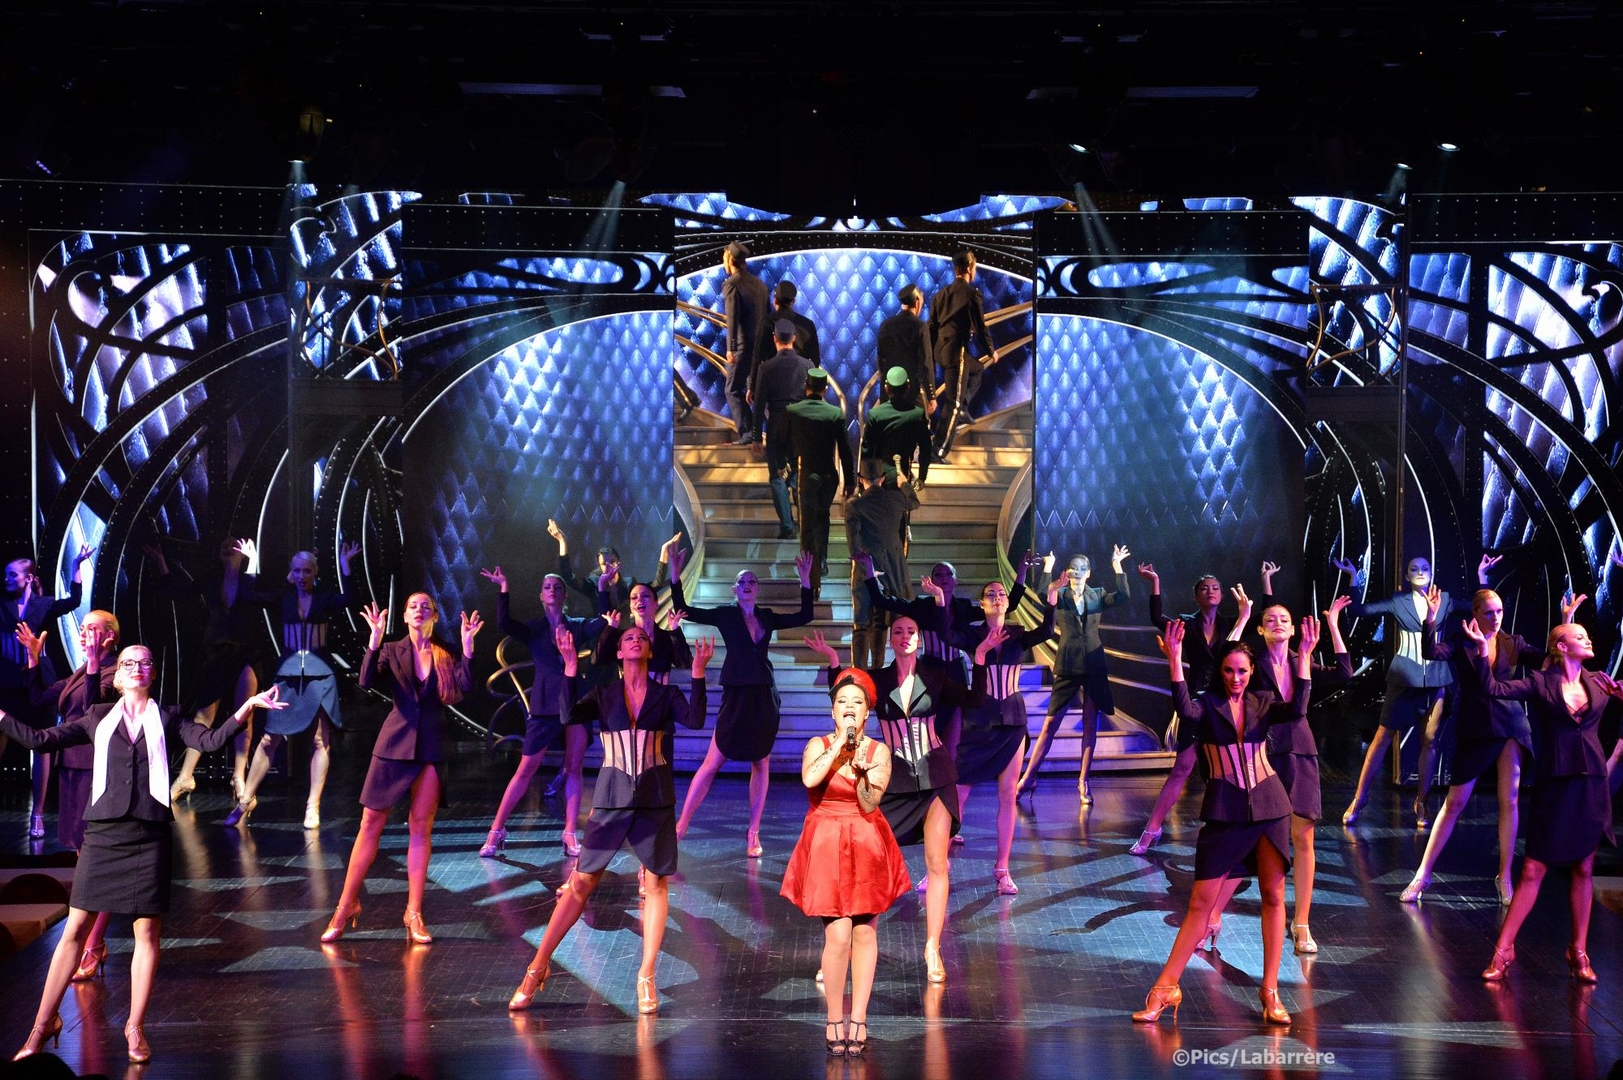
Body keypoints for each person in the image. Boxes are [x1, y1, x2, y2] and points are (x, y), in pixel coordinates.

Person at [1, 645, 286, 1063]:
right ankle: (42, 1025)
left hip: (149, 835)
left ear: (152, 674)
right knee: (75, 929)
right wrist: (2, 718)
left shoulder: (167, 717)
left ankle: (134, 1027)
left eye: (144, 662)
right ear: (117, 678)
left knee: (146, 933)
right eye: (128, 663)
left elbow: (209, 741)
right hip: (103, 835)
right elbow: (40, 741)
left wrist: (246, 708)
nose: (136, 668)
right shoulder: (98, 717)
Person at [509, 625, 714, 1014]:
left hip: (654, 800)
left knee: (656, 884)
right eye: (628, 638)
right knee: (580, 884)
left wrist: (699, 674)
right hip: (610, 800)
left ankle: (646, 975)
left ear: (649, 651)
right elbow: (568, 714)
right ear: (619, 653)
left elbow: (696, 720)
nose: (636, 640)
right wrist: (571, 668)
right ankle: (537, 967)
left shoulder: (666, 694)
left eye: (642, 638)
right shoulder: (604, 694)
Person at [1129, 617, 1315, 1026]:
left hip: (1270, 807)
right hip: (1225, 812)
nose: (1236, 678)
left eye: (1242, 671)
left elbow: (1298, 709)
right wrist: (1175, 661)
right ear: (1220, 671)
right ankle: (1166, 987)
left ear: (1251, 672)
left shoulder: (1263, 700)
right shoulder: (1207, 705)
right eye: (1229, 671)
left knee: (1272, 895)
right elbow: (1185, 710)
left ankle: (1270, 990)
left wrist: (1304, 659)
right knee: (1200, 903)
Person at [805, 616, 1002, 983]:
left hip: (936, 778)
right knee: (868, 863)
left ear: (919, 639)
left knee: (937, 863)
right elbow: (845, 693)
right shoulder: (878, 680)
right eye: (898, 631)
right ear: (891, 640)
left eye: (912, 631)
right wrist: (833, 661)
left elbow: (975, 699)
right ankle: (842, 948)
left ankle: (932, 948)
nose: (905, 636)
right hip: (893, 782)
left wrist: (979, 657)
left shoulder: (936, 676)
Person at [1400, 583, 1581, 905]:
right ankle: (1422, 875)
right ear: (1476, 614)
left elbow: (1550, 662)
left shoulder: (1514, 642)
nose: (1496, 617)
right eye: (1489, 612)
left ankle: (1504, 876)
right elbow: (1431, 653)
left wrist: (1566, 621)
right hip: (1476, 727)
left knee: (1509, 800)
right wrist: (1430, 618)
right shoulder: (1462, 640)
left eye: (1499, 611)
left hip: (1510, 724)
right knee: (1454, 803)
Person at [1468, 618, 1622, 984]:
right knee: (1533, 869)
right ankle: (1504, 949)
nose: (1588, 639)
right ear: (1561, 647)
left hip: (1591, 785)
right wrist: (1482, 652)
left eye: (1587, 635)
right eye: (1579, 636)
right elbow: (1491, 688)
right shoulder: (1540, 682)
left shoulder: (1599, 682)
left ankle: (1578, 951)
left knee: (1584, 869)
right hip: (1555, 784)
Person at [320, 594, 480, 945]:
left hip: (431, 747)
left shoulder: (446, 652)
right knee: (369, 825)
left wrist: (468, 649)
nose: (419, 609)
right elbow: (365, 681)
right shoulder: (392, 650)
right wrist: (374, 641)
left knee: (421, 829)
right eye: (413, 606)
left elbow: (466, 687)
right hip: (393, 746)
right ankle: (345, 905)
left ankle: (414, 913)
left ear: (434, 616)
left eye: (426, 606)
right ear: (405, 616)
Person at [1202, 592, 1354, 956]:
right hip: (1264, 753)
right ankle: (1212, 915)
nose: (1278, 623)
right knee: (1252, 838)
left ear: (1293, 628)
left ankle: (1301, 923)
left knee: (1304, 837)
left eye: (1284, 619)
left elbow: (1345, 673)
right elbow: (1226, 657)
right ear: (1261, 629)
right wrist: (1242, 617)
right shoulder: (1251, 666)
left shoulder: (1304, 659)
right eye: (1270, 620)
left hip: (1300, 751)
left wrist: (1333, 625)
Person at [780, 668, 909, 1058]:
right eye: (842, 702)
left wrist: (864, 778)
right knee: (837, 935)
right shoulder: (817, 744)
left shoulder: (878, 752)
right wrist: (839, 745)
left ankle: (860, 1018)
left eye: (857, 703)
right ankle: (834, 1017)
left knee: (865, 933)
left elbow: (869, 804)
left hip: (865, 842)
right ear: (833, 711)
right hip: (826, 843)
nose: (849, 707)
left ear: (867, 712)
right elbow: (809, 780)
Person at [669, 547, 814, 855]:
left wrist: (805, 580)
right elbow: (683, 607)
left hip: (763, 694)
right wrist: (674, 574)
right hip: (735, 693)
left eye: (752, 581)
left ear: (757, 589)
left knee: (761, 761)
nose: (747, 584)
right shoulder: (725, 614)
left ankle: (753, 833)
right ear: (734, 589)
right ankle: (680, 826)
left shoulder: (766, 617)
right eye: (741, 581)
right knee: (712, 762)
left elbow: (805, 616)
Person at [1336, 554, 1482, 829]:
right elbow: (1359, 611)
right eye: (1414, 569)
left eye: (1424, 568)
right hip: (1404, 678)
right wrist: (1353, 578)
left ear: (1432, 573)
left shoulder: (1445, 599)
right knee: (1382, 737)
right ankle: (1359, 798)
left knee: (1430, 740)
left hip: (1436, 679)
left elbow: (1477, 606)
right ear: (1406, 576)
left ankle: (1422, 802)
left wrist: (1483, 579)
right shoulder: (1398, 601)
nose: (1420, 572)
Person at [476, 564, 607, 858]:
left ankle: (570, 832)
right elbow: (505, 622)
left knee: (574, 767)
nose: (552, 591)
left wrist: (602, 588)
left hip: (575, 701)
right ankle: (497, 829)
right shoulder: (534, 629)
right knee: (526, 768)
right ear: (541, 595)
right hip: (545, 703)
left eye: (557, 587)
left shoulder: (576, 626)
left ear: (565, 596)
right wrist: (504, 588)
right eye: (547, 587)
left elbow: (603, 621)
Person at [228, 538, 360, 829]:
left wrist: (345, 565)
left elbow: (349, 599)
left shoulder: (325, 598)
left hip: (320, 675)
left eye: (307, 571)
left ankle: (313, 805)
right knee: (269, 738)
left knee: (320, 740)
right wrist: (252, 562)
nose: (302, 576)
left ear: (315, 572)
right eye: (297, 571)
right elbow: (248, 596)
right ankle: (245, 800)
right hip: (287, 674)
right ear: (292, 572)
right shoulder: (283, 597)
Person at [15, 613, 118, 982]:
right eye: (83, 628)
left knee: (98, 865)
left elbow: (94, 710)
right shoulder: (79, 672)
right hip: (72, 769)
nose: (84, 633)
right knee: (82, 862)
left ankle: (94, 942)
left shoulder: (115, 671)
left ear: (110, 637)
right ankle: (95, 942)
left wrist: (92, 662)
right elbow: (38, 699)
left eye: (92, 629)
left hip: (97, 771)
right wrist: (34, 659)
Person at [1127, 564, 1256, 853]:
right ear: (1196, 596)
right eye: (1204, 588)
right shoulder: (1187, 623)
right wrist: (1155, 581)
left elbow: (1241, 641)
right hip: (1196, 702)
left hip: (1225, 702)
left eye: (1215, 588)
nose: (1210, 591)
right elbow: (1157, 617)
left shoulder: (1230, 624)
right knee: (1182, 767)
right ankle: (1152, 829)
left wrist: (1260, 592)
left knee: (1230, 769)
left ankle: (1237, 832)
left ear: (1221, 595)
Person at [944, 581, 1055, 894]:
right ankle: (939, 864)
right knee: (959, 791)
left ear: (1008, 603)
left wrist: (1052, 596)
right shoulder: (973, 634)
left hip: (1013, 721)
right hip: (980, 720)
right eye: (990, 594)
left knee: (1007, 795)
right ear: (982, 604)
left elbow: (1048, 629)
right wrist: (941, 600)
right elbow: (947, 635)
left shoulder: (1017, 634)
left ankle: (1002, 869)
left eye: (1001, 594)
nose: (997, 597)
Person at [1017, 546, 1131, 804]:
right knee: (1050, 724)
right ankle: (1028, 778)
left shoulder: (1097, 595)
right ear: (1067, 572)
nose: (1078, 572)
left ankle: (1083, 781)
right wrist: (1048, 568)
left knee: (1090, 723)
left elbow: (1124, 596)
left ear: (1089, 573)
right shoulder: (1059, 594)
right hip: (1068, 665)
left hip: (1094, 666)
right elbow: (1042, 595)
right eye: (1073, 568)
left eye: (1082, 569)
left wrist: (1117, 566)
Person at [149, 540, 260, 805]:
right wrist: (160, 561)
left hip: (245, 652)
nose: (229, 550)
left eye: (235, 546)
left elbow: (253, 594)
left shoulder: (249, 580)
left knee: (245, 714)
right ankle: (186, 776)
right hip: (216, 653)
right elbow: (176, 592)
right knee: (203, 715)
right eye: (225, 547)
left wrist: (252, 562)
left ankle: (239, 776)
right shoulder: (212, 579)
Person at [1, 546, 91, 839]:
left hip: (38, 684)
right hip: (6, 684)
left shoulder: (44, 605)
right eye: (6, 575)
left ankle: (37, 814)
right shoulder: (2, 605)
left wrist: (76, 565)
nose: (7, 579)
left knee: (42, 746)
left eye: (13, 575)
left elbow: (74, 601)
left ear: (28, 578)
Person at [785, 367, 856, 597]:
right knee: (822, 517)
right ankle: (822, 560)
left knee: (807, 526)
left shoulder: (793, 411)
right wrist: (850, 481)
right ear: (825, 389)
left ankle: (812, 579)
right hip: (829, 476)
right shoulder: (834, 413)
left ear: (806, 386)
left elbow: (780, 441)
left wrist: (783, 466)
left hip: (806, 474)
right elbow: (845, 450)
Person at [928, 250, 1000, 458]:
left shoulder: (941, 294)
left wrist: (930, 355)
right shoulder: (971, 294)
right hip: (956, 351)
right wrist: (991, 351)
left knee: (976, 369)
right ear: (969, 268)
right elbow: (980, 326)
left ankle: (963, 407)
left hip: (941, 350)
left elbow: (931, 327)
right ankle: (938, 450)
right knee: (953, 402)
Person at [843, 465, 915, 669]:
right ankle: (877, 669)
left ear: (861, 479)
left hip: (866, 566)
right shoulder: (895, 498)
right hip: (892, 567)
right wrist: (903, 483)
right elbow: (914, 501)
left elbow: (854, 544)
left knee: (861, 623)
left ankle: (859, 672)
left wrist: (864, 568)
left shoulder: (855, 505)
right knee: (881, 621)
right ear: (883, 478)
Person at [751, 320, 815, 538]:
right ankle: (805, 524)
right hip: (801, 428)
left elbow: (759, 404)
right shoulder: (807, 365)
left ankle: (787, 528)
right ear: (794, 339)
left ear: (775, 339)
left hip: (777, 427)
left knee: (778, 477)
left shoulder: (766, 368)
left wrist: (756, 437)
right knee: (798, 476)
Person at [721, 241, 770, 445]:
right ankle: (779, 432)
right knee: (757, 392)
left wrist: (730, 348)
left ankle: (748, 433)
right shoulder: (760, 284)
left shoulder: (731, 284)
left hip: (743, 347)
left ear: (730, 260)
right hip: (760, 348)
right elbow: (768, 318)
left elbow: (732, 318)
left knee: (732, 389)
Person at [861, 367, 933, 485]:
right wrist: (922, 477)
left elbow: (867, 451)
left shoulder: (875, 414)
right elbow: (926, 448)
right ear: (907, 387)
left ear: (886, 387)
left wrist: (864, 481)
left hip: (879, 478)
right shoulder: (917, 414)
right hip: (904, 473)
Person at [875, 283, 934, 413]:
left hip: (888, 390)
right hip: (911, 392)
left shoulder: (885, 325)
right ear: (917, 302)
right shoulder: (920, 327)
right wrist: (931, 396)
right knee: (915, 424)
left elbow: (880, 359)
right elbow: (926, 364)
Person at [758, 278, 821, 365]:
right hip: (801, 373)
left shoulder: (766, 322)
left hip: (773, 372)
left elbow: (758, 355)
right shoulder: (808, 324)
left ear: (775, 300)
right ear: (793, 301)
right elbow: (815, 359)